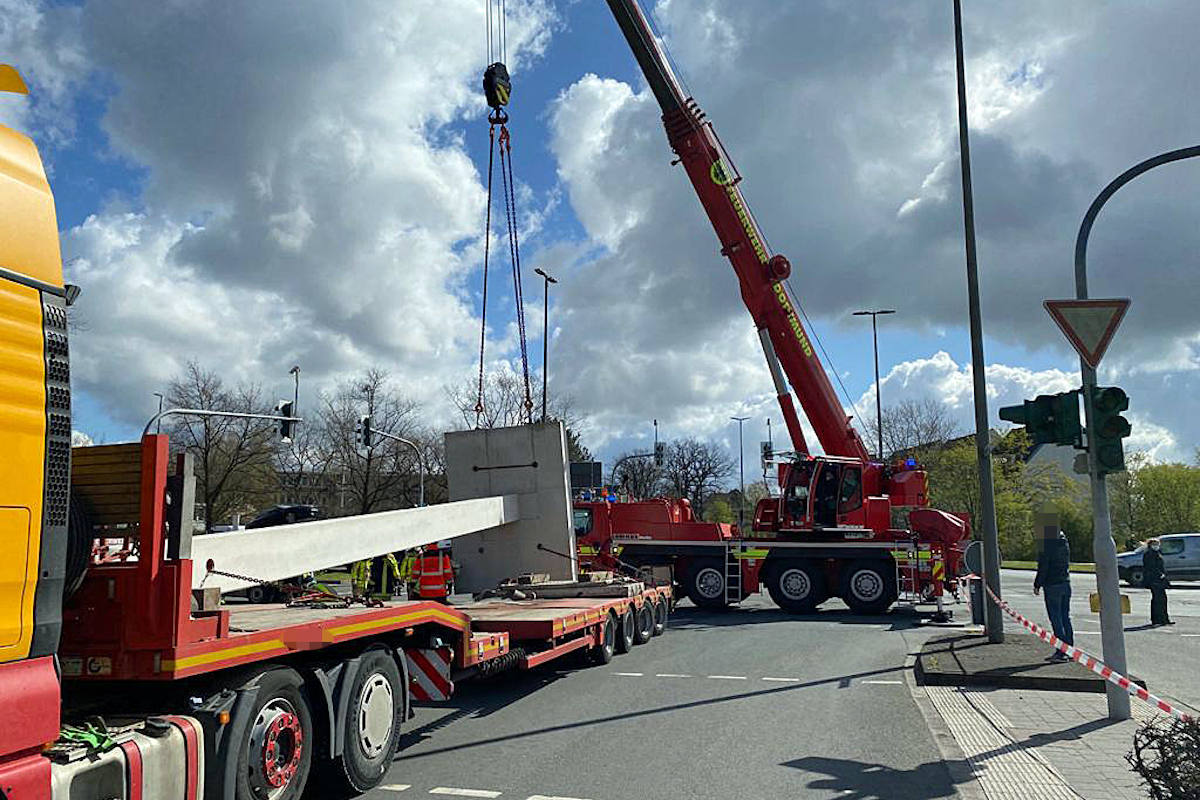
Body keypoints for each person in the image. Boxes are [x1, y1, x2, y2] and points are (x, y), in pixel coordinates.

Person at [1034, 528, 1074, 661]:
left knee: (1055, 618)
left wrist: (1037, 584)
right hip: (1065, 582)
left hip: (1052, 584)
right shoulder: (1064, 543)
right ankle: (1070, 649)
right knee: (1065, 617)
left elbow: (1043, 566)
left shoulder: (1047, 546)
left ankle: (1061, 651)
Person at [1143, 538, 1174, 626]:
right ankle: (1157, 619)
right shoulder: (1149, 554)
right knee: (1158, 599)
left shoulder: (1156, 553)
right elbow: (1151, 567)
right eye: (1155, 544)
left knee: (1162, 599)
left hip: (1159, 579)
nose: (1157, 546)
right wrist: (1160, 574)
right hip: (1154, 580)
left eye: (1158, 544)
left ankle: (1164, 619)